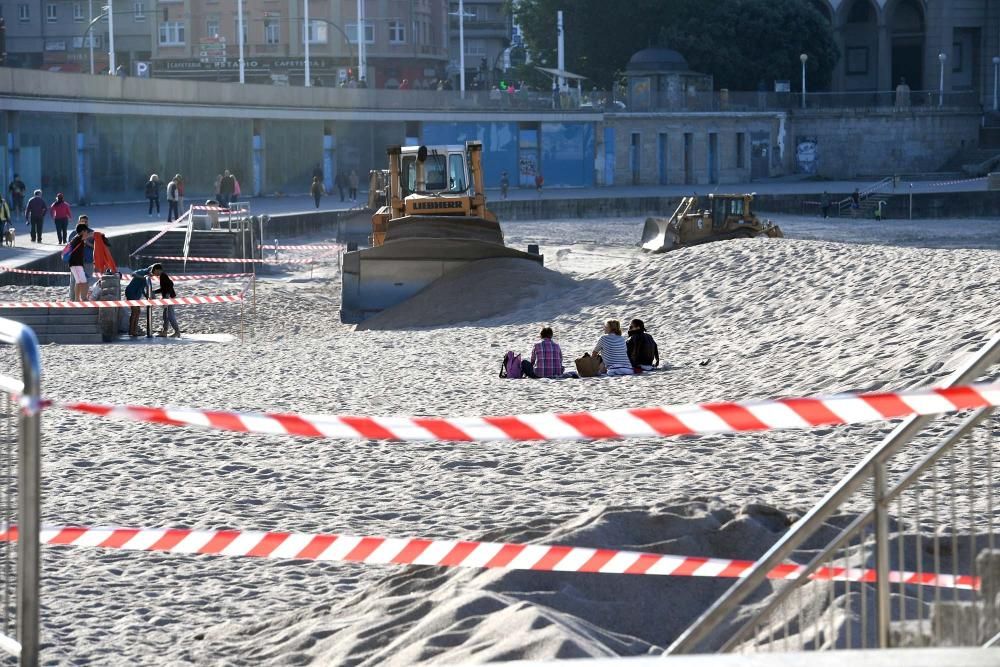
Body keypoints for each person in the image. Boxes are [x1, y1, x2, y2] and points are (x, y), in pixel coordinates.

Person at [126, 263, 163, 337]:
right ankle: (131, 331)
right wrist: (143, 277)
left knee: (137, 312)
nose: (159, 274)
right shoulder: (143, 272)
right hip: (131, 292)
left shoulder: (149, 276)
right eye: (158, 271)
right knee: (135, 311)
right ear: (154, 270)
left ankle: (134, 330)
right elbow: (133, 274)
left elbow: (143, 287)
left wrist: (147, 296)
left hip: (137, 294)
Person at [67, 218, 97, 298]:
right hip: (77, 262)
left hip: (88, 260)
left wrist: (89, 242)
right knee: (76, 281)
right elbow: (70, 246)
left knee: (85, 281)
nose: (84, 223)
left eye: (86, 221)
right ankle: (74, 299)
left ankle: (82, 298)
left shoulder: (89, 232)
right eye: (82, 221)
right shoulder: (76, 235)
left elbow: (96, 247)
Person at [153, 270, 181, 338]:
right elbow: (163, 288)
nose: (154, 274)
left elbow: (170, 284)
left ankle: (177, 332)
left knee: (170, 316)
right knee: (165, 316)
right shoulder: (163, 276)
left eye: (154, 272)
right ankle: (165, 332)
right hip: (168, 297)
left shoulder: (163, 276)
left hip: (169, 298)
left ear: (157, 269)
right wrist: (154, 291)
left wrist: (167, 296)